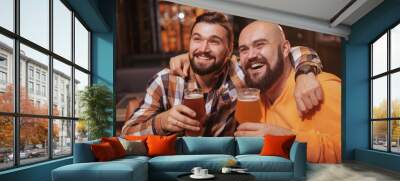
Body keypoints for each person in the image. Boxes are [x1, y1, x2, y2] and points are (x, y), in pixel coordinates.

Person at [121, 12, 323, 137]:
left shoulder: (241, 72)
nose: (203, 48)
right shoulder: (165, 81)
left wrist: (305, 74)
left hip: (227, 164)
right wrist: (162, 121)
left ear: (228, 52)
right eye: (197, 39)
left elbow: (291, 52)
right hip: (177, 166)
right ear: (189, 44)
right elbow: (128, 132)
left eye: (214, 41)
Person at [234, 21, 341, 163]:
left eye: (260, 45)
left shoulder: (324, 88)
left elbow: (350, 154)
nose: (251, 55)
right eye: (244, 49)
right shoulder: (252, 99)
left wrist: (286, 140)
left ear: (285, 49)